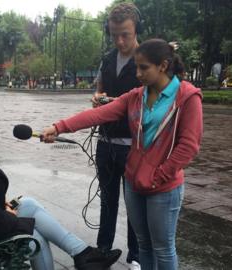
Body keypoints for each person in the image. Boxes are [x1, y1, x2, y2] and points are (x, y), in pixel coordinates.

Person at [42, 39, 203, 270]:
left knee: (164, 248)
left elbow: (189, 146)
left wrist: (158, 176)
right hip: (134, 183)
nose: (138, 73)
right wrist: (59, 127)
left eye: (144, 67)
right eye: (136, 67)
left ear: (163, 66)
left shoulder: (187, 97)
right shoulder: (136, 96)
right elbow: (98, 115)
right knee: (145, 245)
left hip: (164, 187)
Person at [0, 97, 122, 270]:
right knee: (34, 236)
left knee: (28, 203)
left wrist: (1, 207)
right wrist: (21, 221)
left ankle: (83, 253)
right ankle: (84, 257)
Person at [91, 3, 142, 269]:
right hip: (106, 143)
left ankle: (135, 256)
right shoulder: (108, 59)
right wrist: (98, 99)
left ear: (136, 30)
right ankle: (103, 248)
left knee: (134, 205)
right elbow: (98, 90)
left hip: (135, 146)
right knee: (107, 200)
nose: (120, 40)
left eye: (125, 34)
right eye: (114, 35)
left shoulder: (147, 60)